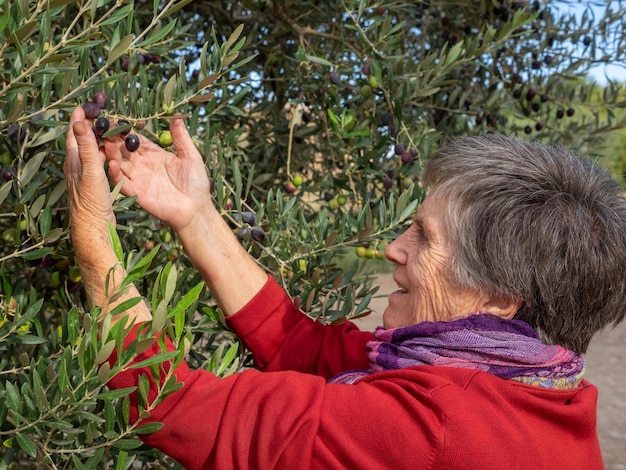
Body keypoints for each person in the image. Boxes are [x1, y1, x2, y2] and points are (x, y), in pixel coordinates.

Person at [64, 106, 626, 469]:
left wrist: (93, 238)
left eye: (424, 237)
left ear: (500, 298)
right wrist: (196, 216)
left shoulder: (435, 427)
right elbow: (301, 348)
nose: (392, 250)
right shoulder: (537, 385)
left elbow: (174, 405)